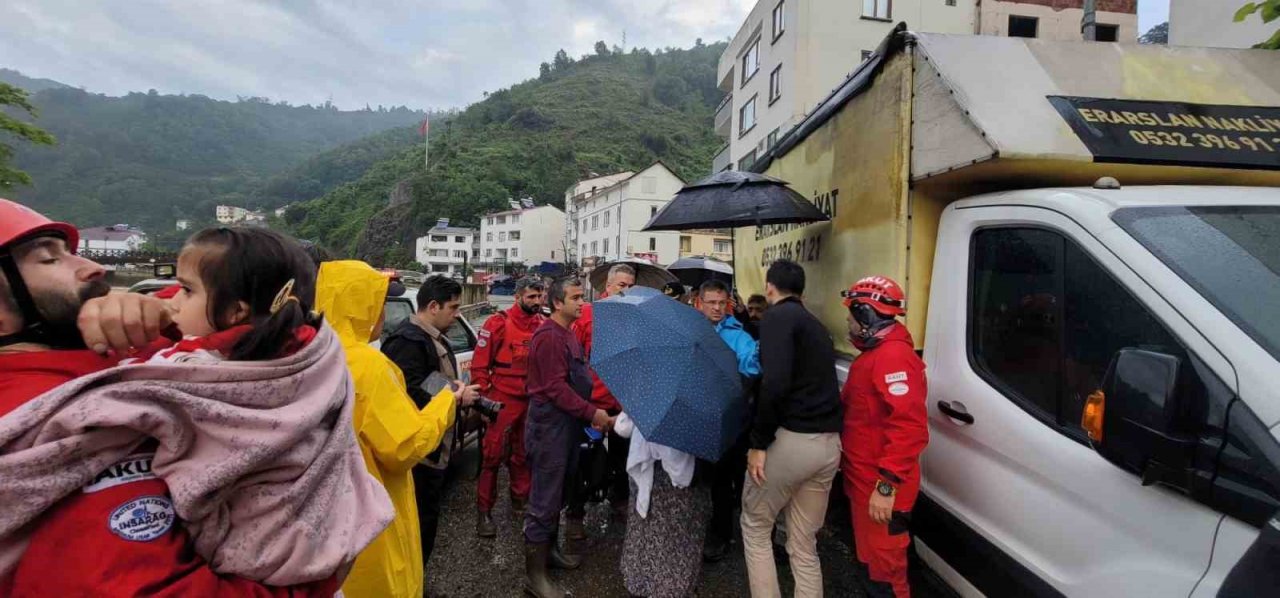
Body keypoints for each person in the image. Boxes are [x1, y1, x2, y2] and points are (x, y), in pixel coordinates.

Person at [0, 199, 336, 596]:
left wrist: (148, 310)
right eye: (49, 260)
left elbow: (222, 307)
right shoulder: (55, 414)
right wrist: (319, 578)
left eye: (71, 252)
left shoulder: (103, 362)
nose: (90, 266)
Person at [315, 261, 473, 598]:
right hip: (370, 506)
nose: (384, 316)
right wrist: (448, 402)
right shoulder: (368, 365)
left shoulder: (308, 354)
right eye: (380, 304)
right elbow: (405, 446)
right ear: (363, 306)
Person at [742, 259, 843, 598]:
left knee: (755, 525)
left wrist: (758, 442)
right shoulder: (816, 326)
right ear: (803, 290)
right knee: (803, 543)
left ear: (769, 288)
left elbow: (776, 383)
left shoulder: (777, 318)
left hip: (791, 441)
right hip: (828, 445)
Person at [380, 275, 481, 568]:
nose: (457, 314)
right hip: (419, 454)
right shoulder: (409, 340)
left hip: (432, 445)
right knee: (418, 525)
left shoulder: (427, 336)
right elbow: (411, 388)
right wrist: (456, 396)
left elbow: (426, 381)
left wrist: (455, 394)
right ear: (433, 306)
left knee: (425, 522)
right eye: (454, 307)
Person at [524, 276, 613, 598]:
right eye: (575, 297)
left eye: (582, 296)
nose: (581, 302)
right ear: (557, 303)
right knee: (544, 500)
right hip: (550, 429)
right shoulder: (549, 336)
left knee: (558, 494)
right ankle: (535, 578)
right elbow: (554, 388)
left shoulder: (568, 334)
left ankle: (549, 553)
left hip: (566, 426)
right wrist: (593, 413)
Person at [840, 276, 928, 598]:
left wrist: (887, 487)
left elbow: (909, 428)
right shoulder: (874, 357)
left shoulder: (893, 358)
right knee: (872, 568)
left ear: (866, 316)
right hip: (866, 486)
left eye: (851, 314)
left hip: (881, 491)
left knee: (887, 575)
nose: (847, 321)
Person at [470, 277, 546, 537]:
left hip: (530, 399)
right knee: (491, 456)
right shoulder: (498, 323)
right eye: (531, 297)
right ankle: (484, 511)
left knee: (524, 454)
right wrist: (483, 402)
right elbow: (480, 366)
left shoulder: (544, 326)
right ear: (518, 297)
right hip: (502, 399)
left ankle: (519, 501)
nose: (536, 302)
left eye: (540, 297)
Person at [566, 263, 635, 540]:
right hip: (591, 406)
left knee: (623, 459)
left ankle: (620, 501)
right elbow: (571, 362)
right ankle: (574, 513)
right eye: (621, 285)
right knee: (582, 459)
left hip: (623, 407)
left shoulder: (636, 320)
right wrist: (585, 406)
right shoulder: (588, 316)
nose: (626, 291)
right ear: (607, 287)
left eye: (631, 286)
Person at [697, 279, 762, 563]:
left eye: (721, 303)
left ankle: (722, 534)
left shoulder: (738, 335)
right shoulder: (689, 331)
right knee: (699, 479)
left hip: (729, 419)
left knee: (725, 481)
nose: (717, 308)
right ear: (699, 303)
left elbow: (752, 363)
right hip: (698, 416)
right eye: (711, 302)